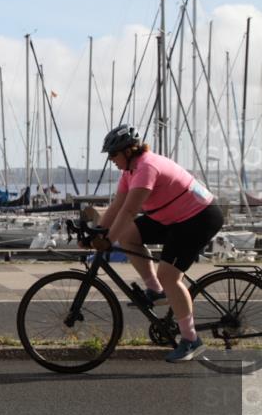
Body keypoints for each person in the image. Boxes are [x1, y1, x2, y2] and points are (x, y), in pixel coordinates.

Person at [92, 125, 223, 362]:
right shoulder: (129, 172)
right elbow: (116, 207)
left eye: (113, 155)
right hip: (174, 217)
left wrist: (108, 240)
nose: (111, 160)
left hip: (199, 217)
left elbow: (130, 210)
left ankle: (191, 339)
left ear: (128, 151)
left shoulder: (146, 167)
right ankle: (156, 290)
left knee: (169, 275)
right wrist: (95, 233)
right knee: (129, 235)